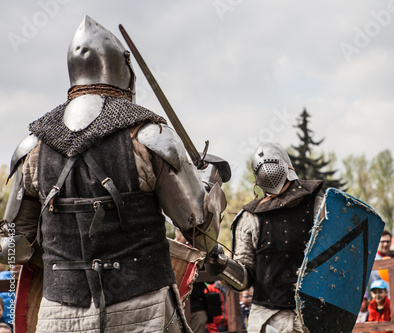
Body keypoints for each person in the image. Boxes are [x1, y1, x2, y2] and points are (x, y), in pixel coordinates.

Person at [0, 16, 228, 333]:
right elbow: (202, 236)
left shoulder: (32, 148)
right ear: (122, 70)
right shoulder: (150, 137)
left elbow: (15, 248)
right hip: (141, 309)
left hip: (61, 316)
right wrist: (209, 182)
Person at [205, 142, 324, 332]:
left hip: (313, 315)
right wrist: (222, 265)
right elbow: (244, 277)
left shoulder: (319, 208)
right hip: (268, 319)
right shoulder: (250, 218)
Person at [367, 230, 393, 296]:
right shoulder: (371, 260)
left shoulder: (391, 260)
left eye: (387, 241)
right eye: (382, 241)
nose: (385, 244)